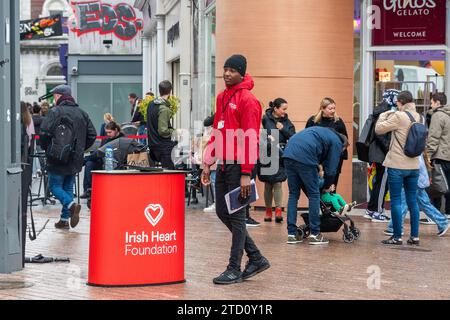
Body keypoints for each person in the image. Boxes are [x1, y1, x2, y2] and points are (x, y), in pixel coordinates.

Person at [201, 54, 270, 284]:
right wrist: (207, 161)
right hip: (223, 165)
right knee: (222, 211)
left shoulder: (248, 100)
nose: (227, 73)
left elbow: (251, 139)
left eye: (232, 70)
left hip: (239, 166)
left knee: (238, 218)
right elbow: (217, 131)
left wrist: (246, 173)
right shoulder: (221, 97)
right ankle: (257, 257)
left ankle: (234, 268)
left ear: (242, 73)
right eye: (225, 69)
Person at [39, 85, 97, 230]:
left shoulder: (55, 112)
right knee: (68, 187)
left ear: (58, 96)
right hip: (75, 158)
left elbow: (44, 133)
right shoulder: (82, 113)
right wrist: (80, 149)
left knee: (54, 187)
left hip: (57, 156)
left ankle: (71, 206)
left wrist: (49, 148)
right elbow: (92, 135)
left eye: (55, 96)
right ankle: (64, 220)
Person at [283, 126, 348, 245]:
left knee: (293, 195)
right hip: (304, 157)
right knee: (314, 195)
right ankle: (315, 234)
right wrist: (327, 186)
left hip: (288, 154)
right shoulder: (337, 142)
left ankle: (291, 234)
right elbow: (332, 169)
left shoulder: (324, 132)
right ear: (343, 145)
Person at [375, 90, 421, 245]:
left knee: (395, 201)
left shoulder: (399, 116)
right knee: (412, 201)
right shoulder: (419, 116)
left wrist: (384, 114)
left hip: (397, 165)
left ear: (400, 102)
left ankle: (397, 236)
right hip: (414, 165)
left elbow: (379, 129)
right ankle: (414, 236)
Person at [384, 152, 450, 237]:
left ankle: (394, 227)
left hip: (411, 177)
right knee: (423, 202)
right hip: (416, 178)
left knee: (403, 202)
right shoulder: (416, 145)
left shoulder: (408, 144)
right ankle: (442, 222)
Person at [258, 98, 295, 223]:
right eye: (283, 109)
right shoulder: (265, 119)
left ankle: (278, 210)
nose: (285, 112)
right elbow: (257, 131)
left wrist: (282, 129)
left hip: (280, 153)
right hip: (266, 153)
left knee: (278, 182)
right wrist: (265, 137)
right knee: (268, 184)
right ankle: (268, 211)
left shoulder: (287, 122)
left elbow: (293, 137)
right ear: (275, 108)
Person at [365, 89, 399, 222]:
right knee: (383, 183)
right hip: (382, 154)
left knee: (379, 182)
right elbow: (381, 133)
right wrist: (389, 148)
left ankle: (371, 209)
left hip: (377, 152)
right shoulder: (387, 111)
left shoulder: (380, 109)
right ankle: (377, 211)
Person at [305, 97, 348, 189]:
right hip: (317, 158)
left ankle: (331, 203)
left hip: (334, 157)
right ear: (322, 108)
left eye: (334, 108)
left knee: (331, 185)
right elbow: (306, 138)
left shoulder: (338, 121)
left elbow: (345, 140)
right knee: (317, 186)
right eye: (330, 108)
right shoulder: (312, 121)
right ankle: (318, 203)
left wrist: (339, 151)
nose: (333, 111)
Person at [82, 121, 124, 199]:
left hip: (115, 162)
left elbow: (102, 152)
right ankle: (88, 189)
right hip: (103, 160)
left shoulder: (121, 139)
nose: (108, 134)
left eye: (109, 132)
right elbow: (100, 151)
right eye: (106, 132)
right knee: (89, 163)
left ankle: (83, 161)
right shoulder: (107, 139)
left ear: (116, 130)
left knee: (89, 160)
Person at [427, 92, 450, 219]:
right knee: (448, 185)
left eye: (432, 103)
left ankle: (435, 215)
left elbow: (433, 138)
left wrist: (428, 155)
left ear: (438, 102)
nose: (431, 106)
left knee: (437, 187)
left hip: (440, 156)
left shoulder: (438, 116)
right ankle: (448, 212)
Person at [146, 80, 177, 169]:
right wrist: (175, 131)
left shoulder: (151, 104)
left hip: (152, 145)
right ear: (170, 92)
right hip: (164, 147)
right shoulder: (164, 109)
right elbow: (163, 131)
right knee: (170, 175)